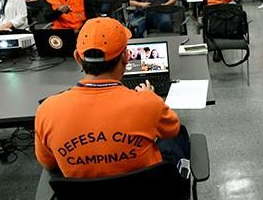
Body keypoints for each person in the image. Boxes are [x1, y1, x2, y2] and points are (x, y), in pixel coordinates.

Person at [34, 17, 188, 178]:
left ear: (78, 58)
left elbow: (48, 164)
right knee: (179, 134)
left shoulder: (46, 110)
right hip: (147, 199)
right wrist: (150, 98)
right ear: (125, 57)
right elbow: (173, 130)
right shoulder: (148, 103)